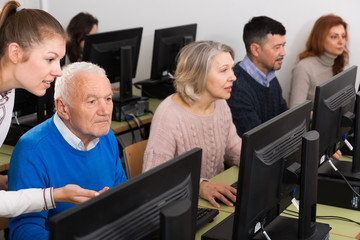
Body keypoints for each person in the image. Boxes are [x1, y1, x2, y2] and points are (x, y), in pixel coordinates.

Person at [0, 1, 104, 218]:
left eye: (59, 60)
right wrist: (55, 195)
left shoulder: (7, 93)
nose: (58, 71)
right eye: (50, 59)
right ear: (15, 52)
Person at [8, 61, 127, 239]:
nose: (105, 111)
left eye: (108, 99)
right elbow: (24, 230)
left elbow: (122, 197)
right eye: (92, 101)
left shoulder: (107, 136)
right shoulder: (32, 150)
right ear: (63, 108)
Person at [142, 41, 242, 208]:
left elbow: (233, 148)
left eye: (231, 68)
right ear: (198, 75)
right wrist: (200, 185)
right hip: (179, 205)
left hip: (212, 202)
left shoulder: (220, 103)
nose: (233, 76)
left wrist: (260, 157)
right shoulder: (169, 114)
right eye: (224, 70)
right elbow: (153, 179)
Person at [227, 16, 288, 137]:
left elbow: (285, 118)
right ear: (255, 50)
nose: (283, 53)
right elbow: (257, 141)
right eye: (277, 47)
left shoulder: (270, 77)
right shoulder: (236, 88)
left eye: (283, 46)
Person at [288, 14, 349, 108]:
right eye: (334, 37)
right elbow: (295, 110)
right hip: (314, 122)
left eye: (343, 36)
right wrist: (326, 116)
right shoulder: (304, 67)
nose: (341, 42)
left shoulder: (336, 63)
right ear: (320, 39)